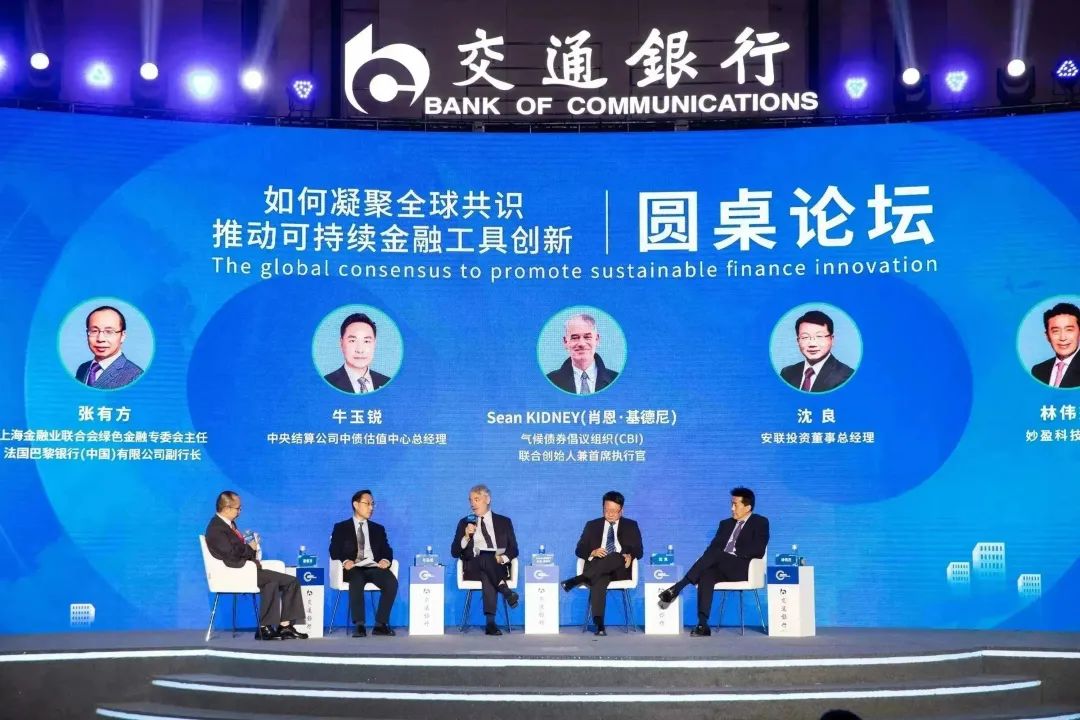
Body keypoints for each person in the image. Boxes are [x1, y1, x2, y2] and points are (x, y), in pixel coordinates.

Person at [658, 487, 770, 637]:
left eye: (735, 505)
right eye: (731, 504)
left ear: (748, 507)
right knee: (706, 574)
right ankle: (703, 624)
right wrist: (718, 555)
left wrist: (733, 551)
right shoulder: (725, 524)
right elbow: (712, 549)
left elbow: (759, 549)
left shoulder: (760, 522)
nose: (732, 508)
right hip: (721, 566)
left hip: (743, 567)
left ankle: (678, 587)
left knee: (716, 554)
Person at [204, 491, 308, 640]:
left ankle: (272, 627)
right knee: (291, 581)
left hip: (245, 569)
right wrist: (250, 547)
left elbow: (237, 550)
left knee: (272, 583)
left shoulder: (228, 525)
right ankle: (273, 627)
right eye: (238, 508)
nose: (240, 512)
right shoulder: (216, 528)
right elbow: (231, 554)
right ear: (226, 508)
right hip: (236, 572)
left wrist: (251, 547)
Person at [560, 490, 643, 636]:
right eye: (606, 510)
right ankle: (600, 625)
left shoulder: (631, 525)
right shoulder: (592, 525)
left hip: (619, 568)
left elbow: (639, 550)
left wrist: (631, 555)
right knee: (599, 579)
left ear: (621, 510)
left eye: (614, 511)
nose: (609, 514)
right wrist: (592, 552)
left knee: (616, 556)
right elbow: (579, 549)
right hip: (597, 567)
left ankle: (579, 579)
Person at [450, 484, 519, 635]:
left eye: (476, 499)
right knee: (485, 557)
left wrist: (502, 558)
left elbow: (514, 549)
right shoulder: (464, 522)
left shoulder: (504, 522)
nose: (472, 504)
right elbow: (454, 552)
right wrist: (466, 537)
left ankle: (491, 623)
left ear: (487, 499)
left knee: (488, 567)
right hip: (473, 566)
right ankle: (504, 593)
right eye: (470, 500)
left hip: (497, 565)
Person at [328, 489, 398, 637]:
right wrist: (345, 561)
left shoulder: (378, 529)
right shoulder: (341, 527)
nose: (371, 507)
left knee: (391, 582)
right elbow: (334, 550)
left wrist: (386, 560)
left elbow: (387, 549)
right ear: (356, 504)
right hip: (353, 568)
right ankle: (359, 625)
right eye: (367, 504)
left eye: (373, 504)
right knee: (357, 579)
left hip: (373, 567)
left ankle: (380, 624)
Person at [780, 309, 854, 392]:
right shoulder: (787, 373)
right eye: (805, 337)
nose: (812, 344)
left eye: (819, 336)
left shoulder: (846, 376)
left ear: (832, 340)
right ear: (798, 341)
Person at [546, 313, 619, 394]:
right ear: (565, 342)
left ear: (597, 339)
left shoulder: (616, 380)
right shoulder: (550, 381)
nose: (581, 344)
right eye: (575, 338)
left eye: (587, 337)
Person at [75, 305, 144, 389]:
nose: (100, 339)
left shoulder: (135, 375)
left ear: (122, 336)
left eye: (109, 332)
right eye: (94, 331)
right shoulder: (83, 368)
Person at [324, 312, 391, 393]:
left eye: (366, 341)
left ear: (374, 344)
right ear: (341, 343)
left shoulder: (387, 383)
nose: (360, 350)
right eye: (352, 341)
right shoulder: (326, 383)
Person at [1030, 302, 1080, 388]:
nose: (1063, 338)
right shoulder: (1037, 371)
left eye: (1069, 330)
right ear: (1047, 336)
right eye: (1055, 331)